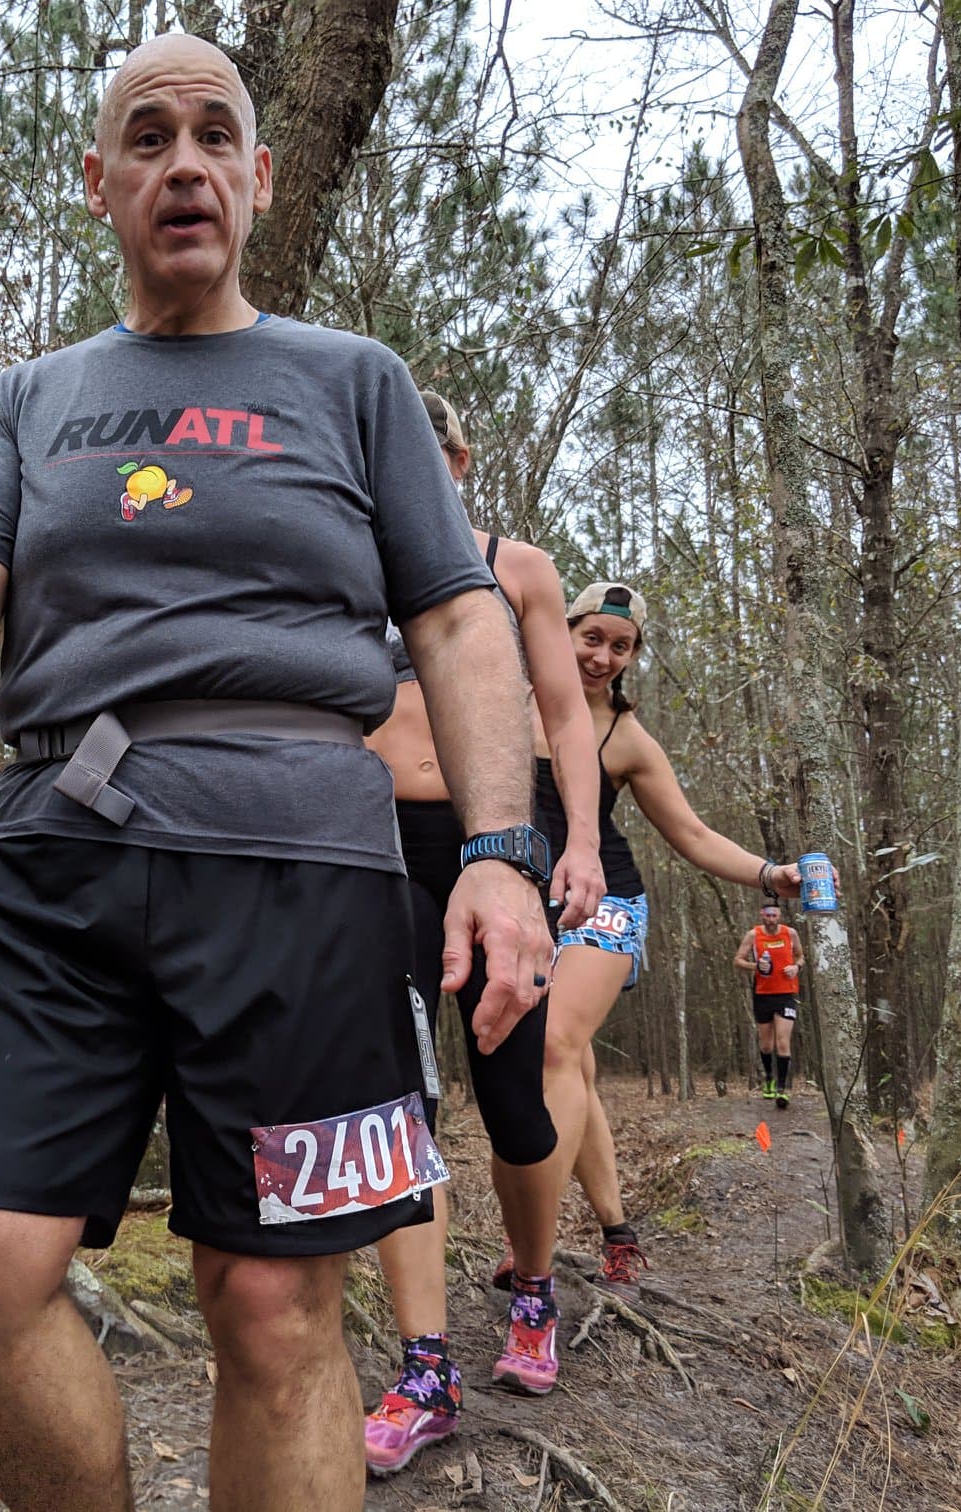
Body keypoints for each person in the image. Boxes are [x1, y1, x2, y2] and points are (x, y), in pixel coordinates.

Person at [0, 35, 554, 1512]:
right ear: (100, 184)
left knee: (274, 1309)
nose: (185, 161)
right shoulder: (28, 402)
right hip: (54, 854)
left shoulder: (355, 382)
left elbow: (463, 620)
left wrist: (499, 853)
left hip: (307, 874)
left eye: (217, 134)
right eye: (147, 137)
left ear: (262, 180)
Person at [474, 583, 804, 1410]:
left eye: (620, 646)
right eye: (592, 636)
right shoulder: (502, 699)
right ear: (563, 631)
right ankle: (616, 1230)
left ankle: (536, 1277)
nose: (601, 656)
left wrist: (770, 873)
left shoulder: (625, 736)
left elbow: (689, 834)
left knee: (553, 1047)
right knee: (571, 1067)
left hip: (605, 903)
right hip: (520, 897)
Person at [360, 393, 605, 1476]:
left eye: (426, 449)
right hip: (373, 850)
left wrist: (582, 842)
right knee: (397, 1104)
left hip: (497, 847)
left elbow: (563, 716)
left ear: (457, 457)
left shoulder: (520, 569)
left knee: (511, 1095)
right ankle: (425, 1367)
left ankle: (535, 1290)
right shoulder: (338, 560)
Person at [737, 900, 806, 1109]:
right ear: (762, 915)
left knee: (783, 1042)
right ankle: (769, 1078)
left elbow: (801, 956)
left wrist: (796, 967)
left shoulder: (790, 933)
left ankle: (783, 1090)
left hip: (786, 993)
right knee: (766, 1044)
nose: (771, 919)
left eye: (774, 915)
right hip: (762, 994)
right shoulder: (754, 935)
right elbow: (738, 960)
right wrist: (755, 966)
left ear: (780, 915)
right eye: (767, 915)